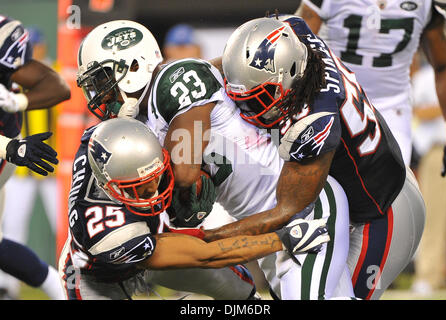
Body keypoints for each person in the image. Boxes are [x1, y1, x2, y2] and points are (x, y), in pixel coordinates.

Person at [76, 20, 355, 300]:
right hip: (262, 223)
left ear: (135, 66)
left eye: (103, 80)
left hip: (303, 206)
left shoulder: (175, 80)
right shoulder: (143, 120)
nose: (101, 93)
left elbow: (184, 173)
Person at [220, 15, 425, 300]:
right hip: (355, 195)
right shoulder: (295, 35)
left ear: (290, 73)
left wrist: (208, 241)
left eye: (257, 97)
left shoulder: (315, 121)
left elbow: (286, 210)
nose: (245, 107)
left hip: (382, 212)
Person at [57, 116, 329, 300]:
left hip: (149, 237)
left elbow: (115, 127)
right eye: (140, 187)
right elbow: (207, 255)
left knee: (235, 285)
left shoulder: (104, 141)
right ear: (109, 185)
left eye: (157, 177)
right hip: (98, 274)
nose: (154, 192)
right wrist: (281, 240)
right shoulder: (110, 234)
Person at [296, 0, 446, 171]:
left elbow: (443, 65)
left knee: (393, 187)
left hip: (392, 108)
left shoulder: (425, 4)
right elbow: (297, 51)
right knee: (328, 185)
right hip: (334, 101)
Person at [0, 16, 70, 299]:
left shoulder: (15, 70)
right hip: (13, 158)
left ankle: (65, 289)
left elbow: (59, 87)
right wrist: (13, 148)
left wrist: (19, 101)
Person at [410, 50, 446, 295]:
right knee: (434, 216)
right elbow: (418, 111)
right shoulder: (426, 77)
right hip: (438, 151)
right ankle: (428, 275)